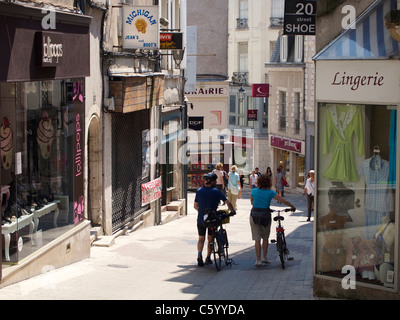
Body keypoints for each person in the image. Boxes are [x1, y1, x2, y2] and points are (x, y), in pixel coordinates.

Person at [250, 174, 296, 267]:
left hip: (254, 215)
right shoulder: (270, 192)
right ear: (269, 183)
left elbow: (252, 202)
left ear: (258, 182)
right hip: (265, 215)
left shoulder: (254, 191)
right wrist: (292, 206)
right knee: (265, 238)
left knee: (257, 239)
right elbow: (282, 200)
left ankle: (258, 260)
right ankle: (265, 257)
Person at [194, 172, 235, 267]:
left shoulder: (199, 191)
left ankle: (199, 255)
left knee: (201, 239)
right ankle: (208, 258)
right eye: (215, 180)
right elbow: (227, 201)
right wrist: (232, 211)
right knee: (210, 239)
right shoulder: (216, 191)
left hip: (201, 219)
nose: (216, 181)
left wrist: (202, 213)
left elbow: (195, 206)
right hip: (212, 219)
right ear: (212, 181)